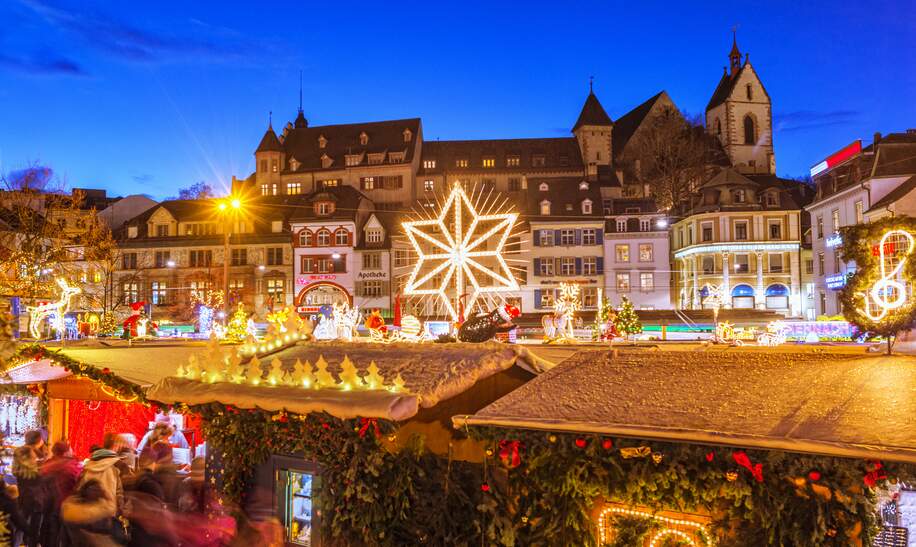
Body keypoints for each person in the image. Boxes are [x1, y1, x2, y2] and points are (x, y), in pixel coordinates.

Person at [41, 440, 83, 547]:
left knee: (50, 536)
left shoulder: (46, 465)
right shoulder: (73, 466)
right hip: (67, 506)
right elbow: (80, 484)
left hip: (48, 506)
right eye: (70, 448)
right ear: (65, 452)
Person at [61, 479, 118, 547]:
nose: (98, 492)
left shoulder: (71, 509)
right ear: (86, 491)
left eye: (99, 489)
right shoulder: (76, 512)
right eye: (94, 490)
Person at [12, 446, 48, 547]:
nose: (35, 456)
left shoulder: (18, 471)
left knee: (19, 530)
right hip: (36, 504)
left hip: (23, 502)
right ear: (28, 458)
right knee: (34, 532)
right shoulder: (38, 473)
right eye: (33, 455)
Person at [78, 446, 124, 521]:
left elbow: (80, 490)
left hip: (89, 512)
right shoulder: (113, 470)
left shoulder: (86, 469)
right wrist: (120, 510)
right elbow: (119, 493)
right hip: (108, 512)